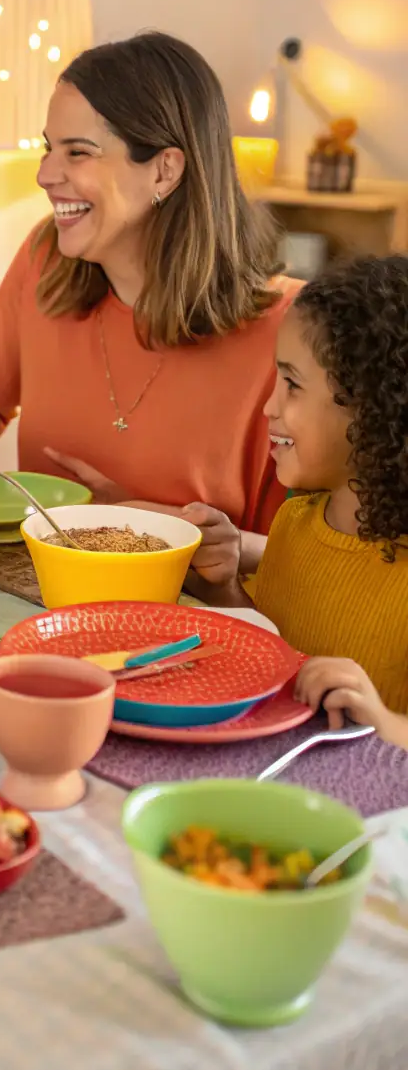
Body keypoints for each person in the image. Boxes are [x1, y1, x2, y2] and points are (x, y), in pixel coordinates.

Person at [0, 31, 298, 566]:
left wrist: (150, 531)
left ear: (165, 169)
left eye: (79, 152)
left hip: (198, 625)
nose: (46, 175)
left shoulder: (287, 331)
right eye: (50, 148)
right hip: (40, 598)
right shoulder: (44, 259)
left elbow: (322, 559)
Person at [195, 257, 408, 749]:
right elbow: (273, 650)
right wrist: (222, 589)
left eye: (292, 385)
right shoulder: (294, 523)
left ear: (374, 411)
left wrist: (380, 721)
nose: (269, 407)